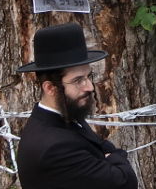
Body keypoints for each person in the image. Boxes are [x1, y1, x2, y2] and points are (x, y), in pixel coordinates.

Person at [15, 23, 139, 189]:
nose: (89, 87)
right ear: (50, 88)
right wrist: (114, 158)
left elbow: (104, 147)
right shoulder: (55, 147)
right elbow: (125, 182)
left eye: (88, 76)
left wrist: (112, 156)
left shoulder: (65, 116)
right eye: (78, 80)